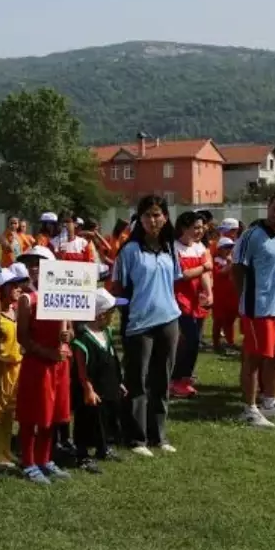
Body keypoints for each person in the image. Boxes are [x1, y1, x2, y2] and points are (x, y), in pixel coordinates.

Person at [113, 195, 182, 456]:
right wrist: (127, 314)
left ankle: (159, 436)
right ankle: (136, 438)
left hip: (169, 321)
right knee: (137, 382)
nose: (153, 220)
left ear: (165, 217)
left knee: (162, 381)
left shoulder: (170, 248)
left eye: (157, 214)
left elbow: (173, 282)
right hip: (139, 325)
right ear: (139, 219)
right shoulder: (129, 251)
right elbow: (118, 288)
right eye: (147, 215)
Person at [233, 191, 275, 428]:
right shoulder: (252, 235)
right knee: (254, 358)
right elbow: (238, 268)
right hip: (258, 307)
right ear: (268, 207)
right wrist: (243, 300)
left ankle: (269, 403)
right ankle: (249, 409)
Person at [14, 246, 72, 484]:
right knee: (31, 415)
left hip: (59, 364)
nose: (34, 267)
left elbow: (69, 329)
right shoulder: (28, 299)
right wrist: (45, 351)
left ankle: (45, 458)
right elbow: (23, 337)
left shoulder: (65, 295)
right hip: (38, 364)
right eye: (31, 263)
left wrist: (67, 337)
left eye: (39, 262)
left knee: (54, 414)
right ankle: (28, 462)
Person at [71, 289, 128, 473]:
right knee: (87, 421)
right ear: (101, 315)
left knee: (104, 419)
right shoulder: (83, 339)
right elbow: (81, 368)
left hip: (107, 386)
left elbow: (112, 358)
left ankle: (103, 448)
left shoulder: (107, 333)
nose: (114, 315)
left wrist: (118, 381)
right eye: (112, 312)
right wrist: (88, 388)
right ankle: (83, 455)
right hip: (91, 390)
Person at [0, 265, 26, 469]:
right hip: (0, 369)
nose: (19, 289)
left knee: (9, 413)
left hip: (17, 369)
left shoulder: (16, 312)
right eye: (14, 286)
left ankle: (7, 450)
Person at [170, 211, 213, 399]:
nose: (200, 231)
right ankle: (176, 379)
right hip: (178, 299)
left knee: (192, 341)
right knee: (190, 339)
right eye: (195, 227)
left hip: (195, 300)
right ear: (183, 228)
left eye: (201, 227)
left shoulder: (199, 247)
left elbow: (204, 274)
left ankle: (183, 379)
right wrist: (204, 267)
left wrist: (209, 293)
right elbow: (183, 274)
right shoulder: (174, 247)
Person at [211, 237, 239, 353]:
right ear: (220, 249)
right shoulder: (216, 261)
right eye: (226, 247)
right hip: (219, 296)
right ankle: (216, 343)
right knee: (218, 320)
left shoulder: (231, 260)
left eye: (231, 247)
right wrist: (230, 264)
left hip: (231, 295)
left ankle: (230, 342)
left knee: (230, 320)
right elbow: (220, 273)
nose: (229, 250)